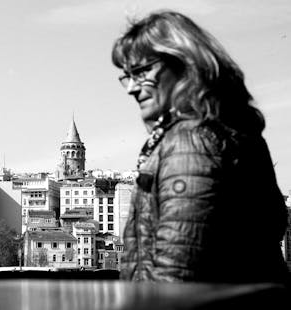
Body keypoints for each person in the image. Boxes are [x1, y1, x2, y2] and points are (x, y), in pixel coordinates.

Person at [112, 11, 289, 283]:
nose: (131, 88)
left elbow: (177, 273)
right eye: (128, 75)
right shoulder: (231, 129)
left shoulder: (191, 142)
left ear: (184, 65)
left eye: (142, 72)